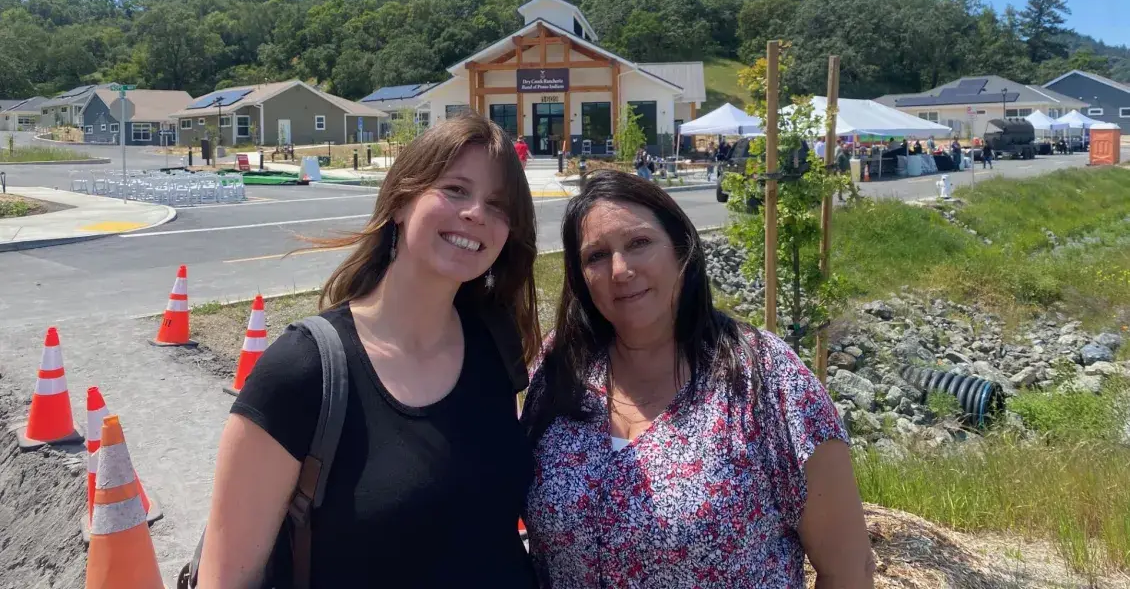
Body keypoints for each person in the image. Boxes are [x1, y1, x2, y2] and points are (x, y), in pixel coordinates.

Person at [198, 115, 541, 588]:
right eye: (457, 189)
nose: (477, 213)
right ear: (402, 200)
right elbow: (226, 579)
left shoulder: (494, 347)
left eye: (498, 205)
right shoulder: (304, 370)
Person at [521, 171, 874, 588]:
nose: (620, 269)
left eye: (639, 243)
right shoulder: (562, 365)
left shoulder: (766, 378)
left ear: (682, 252)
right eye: (596, 255)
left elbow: (848, 568)